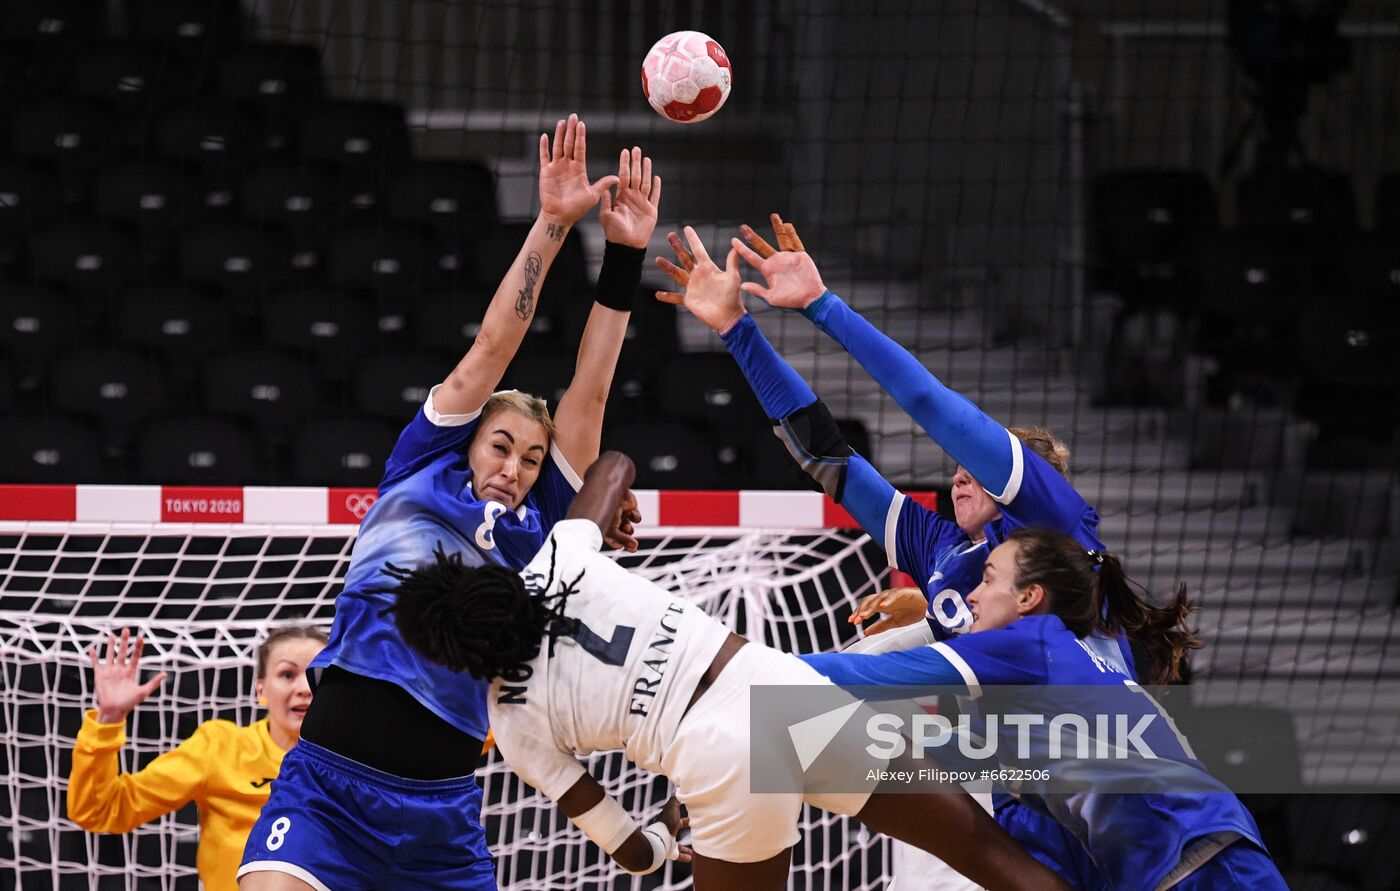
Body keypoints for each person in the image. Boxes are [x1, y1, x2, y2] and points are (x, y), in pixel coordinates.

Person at [238, 114, 659, 891]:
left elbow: (592, 385)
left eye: (533, 457)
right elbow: (494, 343)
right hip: (328, 785)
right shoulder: (420, 467)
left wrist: (627, 254)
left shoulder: (542, 529)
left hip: (439, 812)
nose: (516, 466)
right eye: (501, 445)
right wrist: (553, 224)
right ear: (470, 441)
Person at [657, 221, 1131, 888]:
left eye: (977, 465)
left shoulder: (1054, 528)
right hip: (1013, 796)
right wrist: (738, 330)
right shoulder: (947, 546)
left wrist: (824, 305)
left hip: (1105, 788)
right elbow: (828, 458)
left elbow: (927, 401)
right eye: (957, 466)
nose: (959, 473)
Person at [382, 450, 1073, 891]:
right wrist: (617, 502)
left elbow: (627, 849)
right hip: (783, 689)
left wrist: (664, 833)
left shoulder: (512, 721)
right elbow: (614, 463)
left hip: (717, 758)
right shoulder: (559, 558)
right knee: (986, 851)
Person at [799, 528, 1286, 890]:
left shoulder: (1030, 642)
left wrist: (734, 664)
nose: (973, 594)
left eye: (988, 579)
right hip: (1188, 857)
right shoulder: (1050, 673)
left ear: (1029, 597)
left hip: (1201, 858)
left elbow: (856, 676)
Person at [68, 625, 326, 891]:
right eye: (287, 674)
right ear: (260, 690)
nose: (304, 688)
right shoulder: (220, 748)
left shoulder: (358, 761)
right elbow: (101, 810)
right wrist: (108, 719)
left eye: (316, 675)